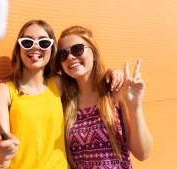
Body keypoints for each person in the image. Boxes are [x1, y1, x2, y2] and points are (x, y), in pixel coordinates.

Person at [0, 20, 124, 169]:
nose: (35, 47)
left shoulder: (60, 83)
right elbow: (0, 163)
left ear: (52, 50)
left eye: (44, 43)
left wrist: (110, 73)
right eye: (27, 42)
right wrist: (1, 154)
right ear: (18, 48)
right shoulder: (3, 91)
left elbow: (88, 77)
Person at [56, 25, 153, 168]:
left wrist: (135, 106)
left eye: (77, 49)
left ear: (94, 54)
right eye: (63, 54)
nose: (70, 57)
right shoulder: (64, 101)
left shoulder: (114, 91)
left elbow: (143, 153)